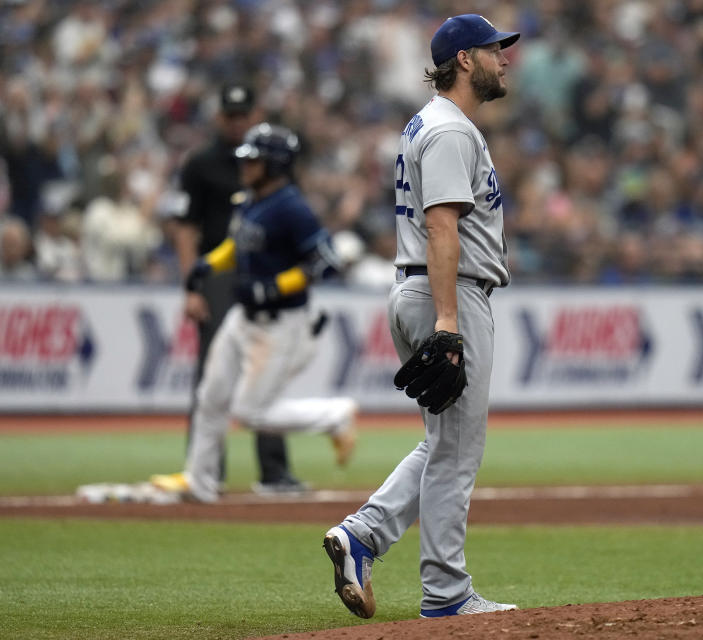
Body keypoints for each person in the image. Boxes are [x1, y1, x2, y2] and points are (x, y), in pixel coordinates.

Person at [323, 14, 519, 619]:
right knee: (457, 453)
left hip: (421, 288)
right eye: (493, 50)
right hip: (447, 292)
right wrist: (447, 321)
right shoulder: (450, 130)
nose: (504, 59)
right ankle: (446, 593)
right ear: (463, 59)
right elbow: (442, 226)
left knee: (442, 442)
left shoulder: (426, 123)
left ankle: (363, 535)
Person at [151, 123, 358, 503]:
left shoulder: (292, 207)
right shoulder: (251, 199)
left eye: (254, 160)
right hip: (243, 316)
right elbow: (238, 244)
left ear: (275, 165)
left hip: (280, 324)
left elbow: (326, 261)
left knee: (251, 412)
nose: (245, 166)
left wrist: (275, 286)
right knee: (210, 395)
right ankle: (200, 480)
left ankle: (334, 416)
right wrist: (208, 264)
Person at [158, 83, 305, 494]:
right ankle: (206, 471)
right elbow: (185, 228)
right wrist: (193, 285)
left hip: (262, 272)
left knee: (267, 369)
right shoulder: (200, 163)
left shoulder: (272, 160)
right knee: (211, 374)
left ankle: (274, 472)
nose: (238, 122)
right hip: (220, 277)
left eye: (244, 115)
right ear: (219, 117)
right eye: (231, 115)